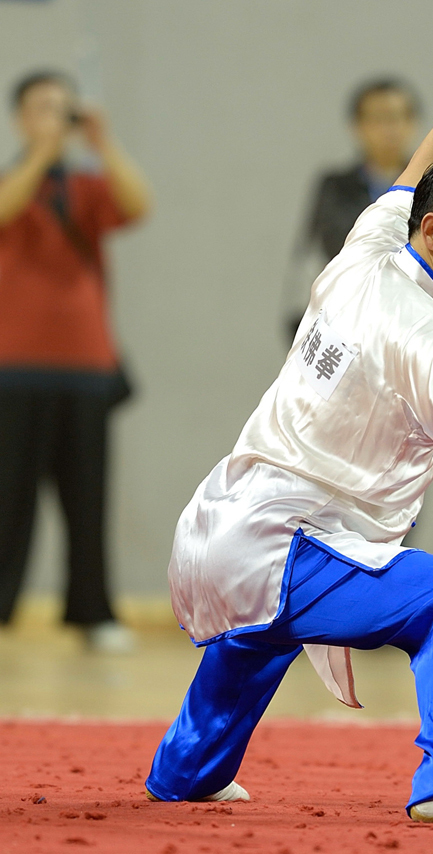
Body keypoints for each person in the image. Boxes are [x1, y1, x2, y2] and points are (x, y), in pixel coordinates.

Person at [146, 28, 433, 827]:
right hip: (288, 540)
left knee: (260, 633)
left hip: (226, 525)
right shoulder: (425, 331)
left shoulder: (373, 240)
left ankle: (185, 770)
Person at [0, 70, 151, 651]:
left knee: (86, 499)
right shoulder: (16, 179)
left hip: (87, 369)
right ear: (20, 117)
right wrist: (39, 152)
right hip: (15, 369)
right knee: (8, 500)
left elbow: (138, 204)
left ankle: (92, 613)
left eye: (63, 108)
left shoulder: (87, 188)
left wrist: (102, 144)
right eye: (42, 107)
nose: (54, 117)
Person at [282, 78, 421, 342]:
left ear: (413, 123)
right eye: (378, 119)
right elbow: (310, 260)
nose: (389, 128)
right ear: (357, 126)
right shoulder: (335, 187)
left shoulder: (432, 186)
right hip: (343, 327)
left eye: (397, 117)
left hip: (410, 328)